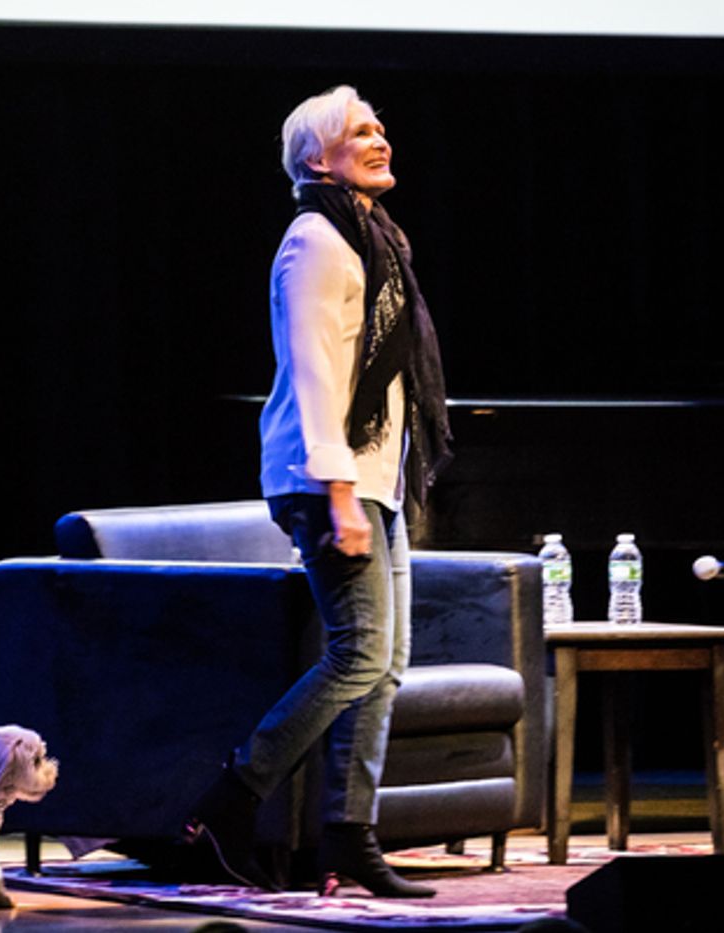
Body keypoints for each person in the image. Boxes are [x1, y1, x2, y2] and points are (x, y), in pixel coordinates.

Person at [184, 85, 452, 898]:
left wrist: (386, 480)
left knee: (385, 665)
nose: (380, 138)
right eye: (358, 132)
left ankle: (348, 836)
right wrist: (339, 492)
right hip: (326, 477)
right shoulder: (316, 241)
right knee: (358, 652)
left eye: (379, 127)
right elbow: (312, 375)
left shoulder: (375, 239)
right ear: (316, 157)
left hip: (374, 478)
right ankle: (232, 797)